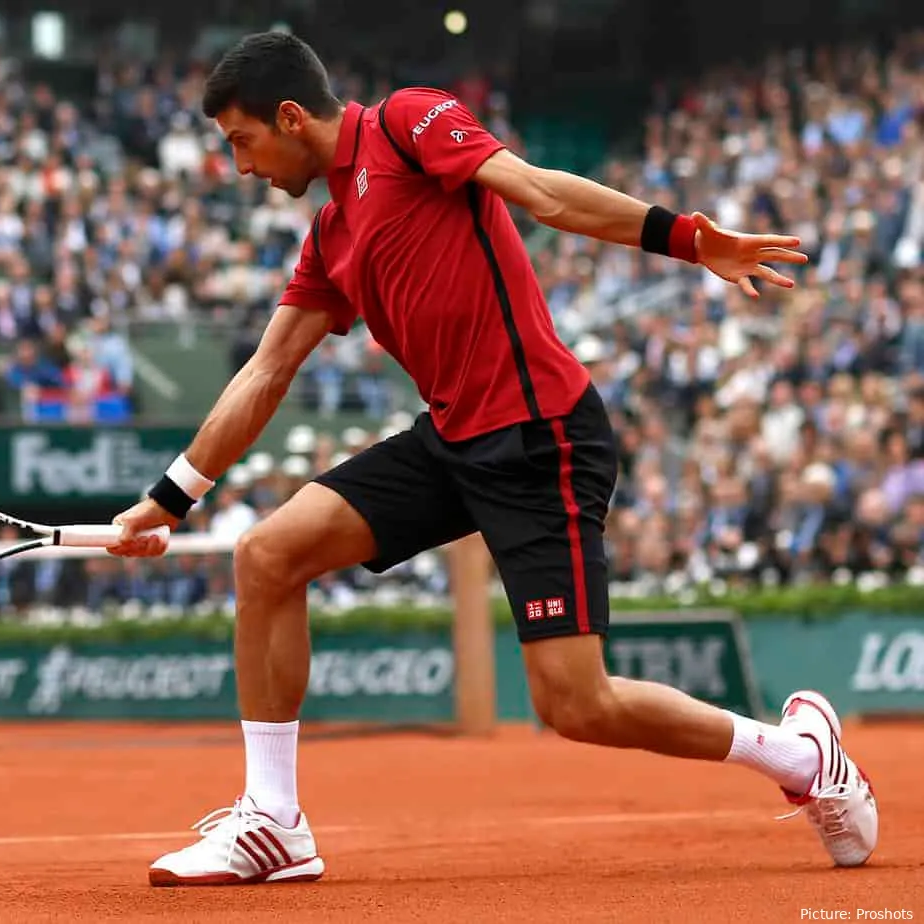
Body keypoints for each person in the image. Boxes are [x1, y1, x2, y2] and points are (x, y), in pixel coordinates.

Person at [109, 32, 877, 886]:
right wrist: (170, 498)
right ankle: (273, 822)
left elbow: (544, 195)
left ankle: (805, 760)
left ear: (291, 117)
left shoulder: (407, 123)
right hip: (450, 440)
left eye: (241, 142)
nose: (241, 167)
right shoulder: (330, 233)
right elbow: (266, 369)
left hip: (541, 434)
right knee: (268, 554)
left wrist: (692, 240)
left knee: (575, 705)